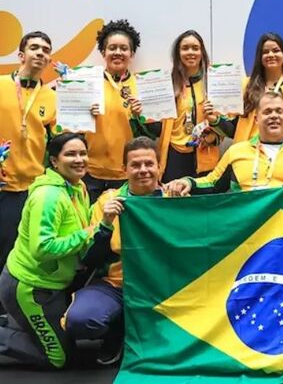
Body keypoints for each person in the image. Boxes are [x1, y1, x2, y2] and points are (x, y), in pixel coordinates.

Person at [0, 134, 118, 368]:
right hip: (31, 285)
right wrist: (88, 234)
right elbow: (43, 248)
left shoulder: (78, 186)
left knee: (69, 344)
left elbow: (83, 222)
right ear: (54, 161)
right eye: (70, 154)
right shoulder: (49, 196)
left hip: (53, 284)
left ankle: (15, 322)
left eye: (82, 153)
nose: (79, 159)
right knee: (57, 359)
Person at [64, 137, 163, 366]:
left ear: (159, 166)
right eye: (135, 165)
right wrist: (106, 225)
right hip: (116, 284)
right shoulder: (107, 202)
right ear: (124, 169)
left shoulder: (173, 199)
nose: (143, 170)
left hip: (161, 287)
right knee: (81, 320)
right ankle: (118, 329)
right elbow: (89, 258)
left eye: (149, 164)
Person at [167, 92, 283, 195]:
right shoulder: (236, 152)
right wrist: (188, 182)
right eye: (267, 112)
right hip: (249, 241)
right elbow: (212, 184)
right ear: (256, 119)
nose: (274, 116)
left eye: (279, 111)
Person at [0, 32, 57, 281]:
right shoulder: (1, 84)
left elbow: (59, 141)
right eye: (35, 48)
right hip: (3, 184)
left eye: (45, 50)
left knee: (17, 250)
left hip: (32, 187)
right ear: (21, 55)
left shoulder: (52, 97)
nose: (40, 53)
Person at [149, 30, 229, 182]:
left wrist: (213, 137)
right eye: (185, 48)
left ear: (202, 52)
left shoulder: (215, 83)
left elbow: (229, 127)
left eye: (195, 48)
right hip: (174, 154)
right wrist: (142, 116)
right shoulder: (166, 84)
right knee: (174, 201)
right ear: (177, 53)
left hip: (203, 152)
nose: (190, 52)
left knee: (201, 203)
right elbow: (156, 128)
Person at [83, 19, 145, 201]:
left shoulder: (142, 86)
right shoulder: (87, 83)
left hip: (127, 174)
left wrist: (140, 116)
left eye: (124, 48)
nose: (118, 52)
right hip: (89, 172)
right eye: (112, 48)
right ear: (103, 52)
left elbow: (154, 133)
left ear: (132, 54)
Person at [234, 33, 283, 143]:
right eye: (265, 52)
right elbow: (232, 126)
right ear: (259, 57)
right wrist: (215, 120)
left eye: (276, 50)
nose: (271, 55)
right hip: (249, 154)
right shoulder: (245, 86)